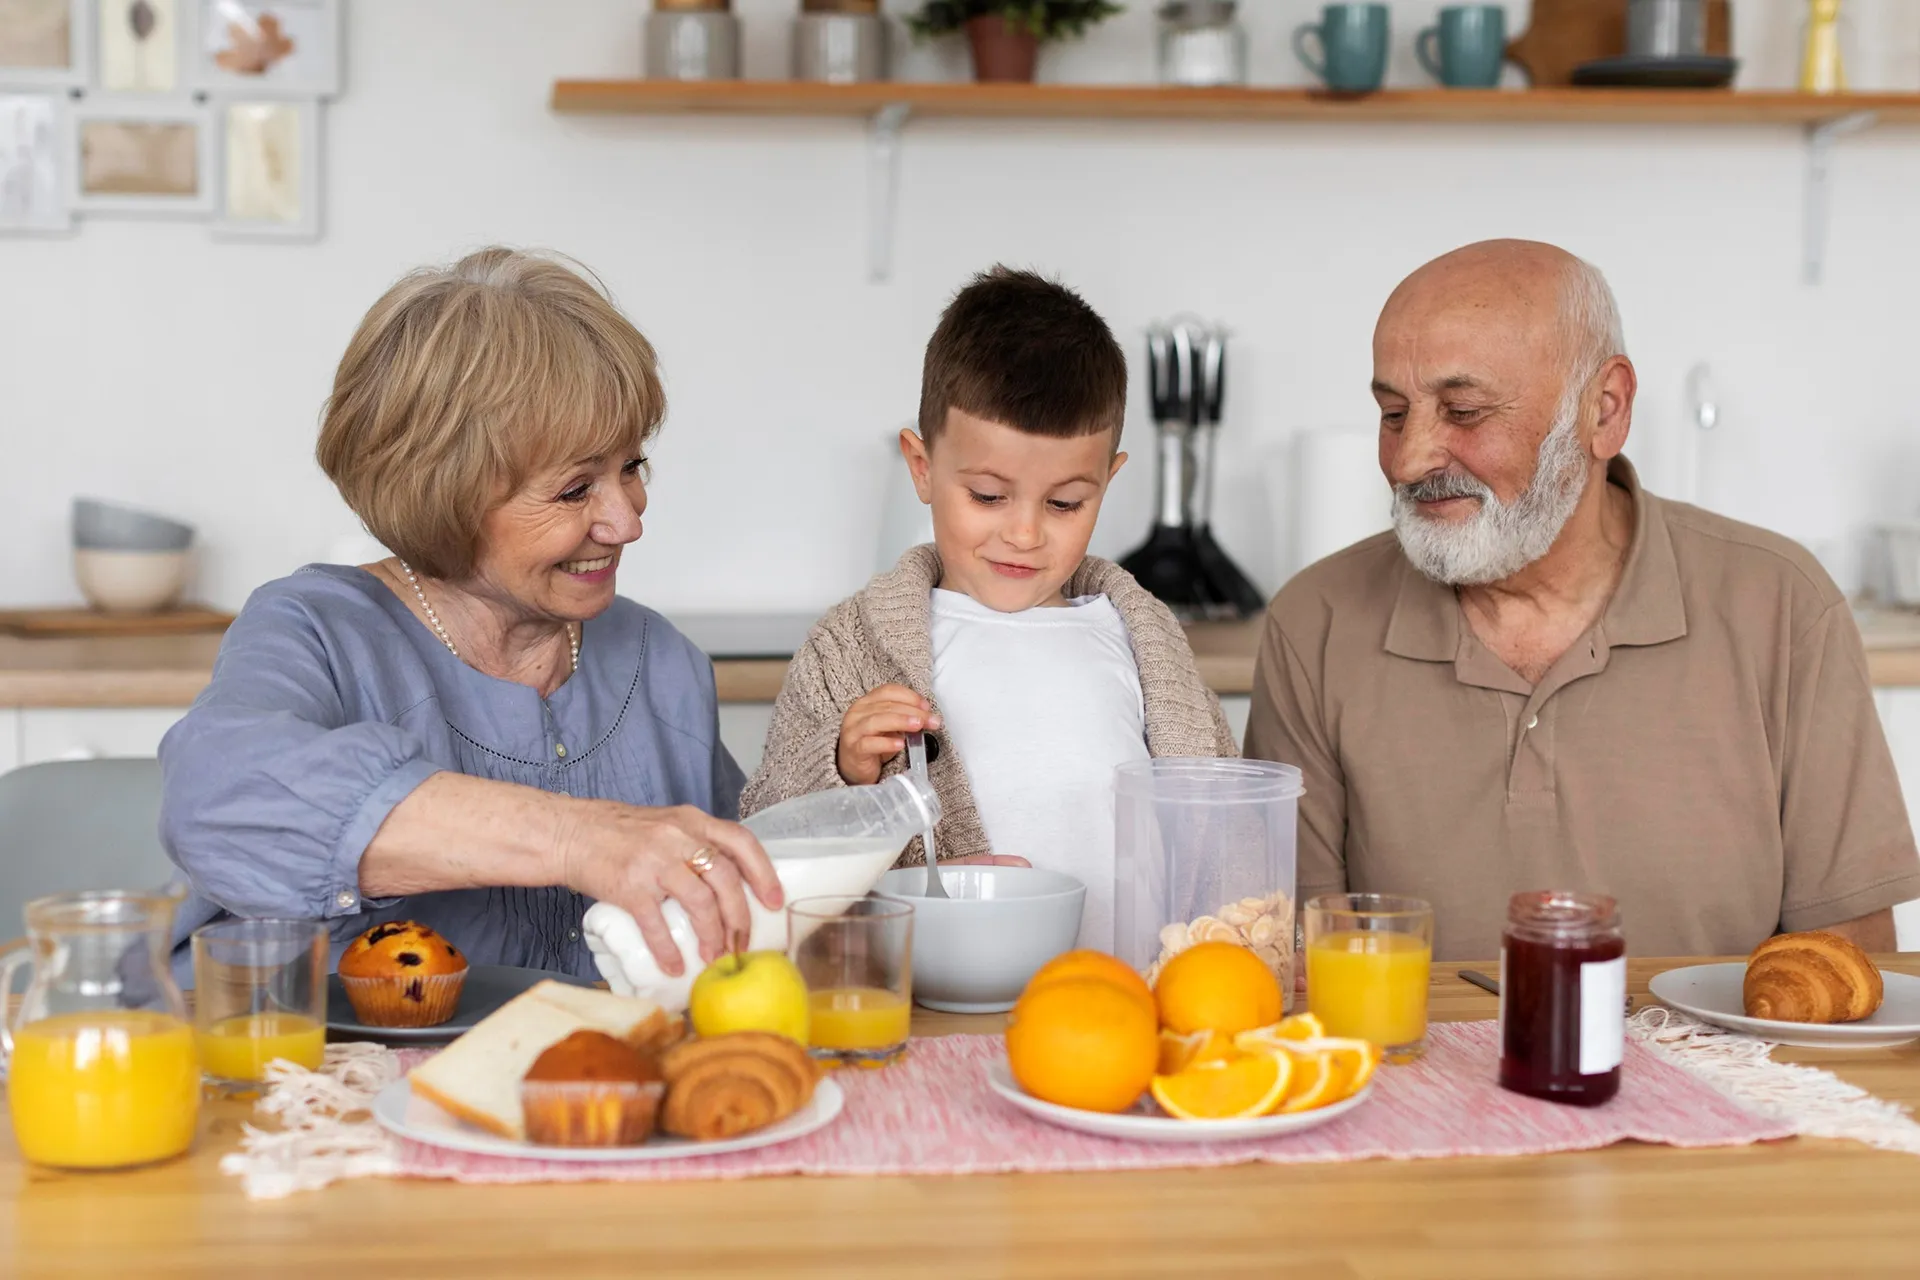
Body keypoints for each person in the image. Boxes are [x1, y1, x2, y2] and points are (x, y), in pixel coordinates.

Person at [1245, 239, 1920, 961]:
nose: (1409, 460)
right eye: (1393, 413)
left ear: (1604, 410)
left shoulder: (1782, 606)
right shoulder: (1316, 621)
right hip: (1411, 1070)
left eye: (1464, 412)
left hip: (1723, 1073)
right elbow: (1290, 965)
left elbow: (1850, 972)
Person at [160, 247, 780, 982]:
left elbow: (742, 917)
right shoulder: (318, 631)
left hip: (594, 1090)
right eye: (576, 488)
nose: (627, 522)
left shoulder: (661, 661)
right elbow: (220, 796)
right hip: (336, 1090)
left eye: (631, 468)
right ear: (445, 491)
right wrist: (577, 839)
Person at [742, 267, 1237, 951]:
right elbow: (766, 837)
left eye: (1065, 503)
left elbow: (1226, 824)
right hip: (932, 1007)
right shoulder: (849, 649)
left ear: (1108, 481)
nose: (1025, 534)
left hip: (1128, 1007)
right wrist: (843, 766)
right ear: (921, 467)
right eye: (987, 496)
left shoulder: (1141, 641)